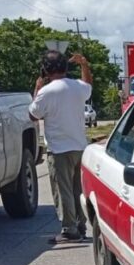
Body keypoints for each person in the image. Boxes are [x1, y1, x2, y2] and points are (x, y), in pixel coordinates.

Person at [29, 50, 93, 244]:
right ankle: (81, 226)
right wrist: (84, 65)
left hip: (58, 149)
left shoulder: (46, 92)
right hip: (79, 146)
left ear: (46, 70)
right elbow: (89, 86)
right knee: (77, 189)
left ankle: (69, 230)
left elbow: (33, 115)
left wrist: (37, 89)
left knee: (62, 189)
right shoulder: (78, 87)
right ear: (65, 67)